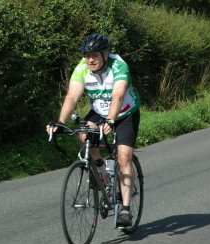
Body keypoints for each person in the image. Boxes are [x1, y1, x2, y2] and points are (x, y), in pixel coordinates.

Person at [47, 33, 141, 227]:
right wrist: (59, 122)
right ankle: (102, 172)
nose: (90, 59)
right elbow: (72, 97)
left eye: (94, 55)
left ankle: (125, 209)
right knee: (83, 135)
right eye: (86, 55)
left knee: (123, 157)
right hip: (99, 110)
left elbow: (118, 97)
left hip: (124, 112)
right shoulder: (82, 68)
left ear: (105, 55)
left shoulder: (119, 66)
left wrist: (111, 120)